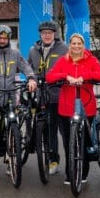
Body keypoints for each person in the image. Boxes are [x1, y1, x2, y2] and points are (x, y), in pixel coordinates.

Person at [46, 33, 100, 184]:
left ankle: (84, 172)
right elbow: (49, 76)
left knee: (85, 141)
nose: (76, 46)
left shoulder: (91, 59)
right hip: (67, 107)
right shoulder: (63, 60)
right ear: (70, 45)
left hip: (86, 105)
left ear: (83, 45)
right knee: (69, 142)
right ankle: (70, 173)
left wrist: (85, 76)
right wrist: (66, 76)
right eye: (73, 43)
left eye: (79, 43)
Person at [0, 25, 37, 177]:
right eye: (0, 38)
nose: (2, 40)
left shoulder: (15, 53)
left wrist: (31, 78)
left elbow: (26, 67)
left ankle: (12, 159)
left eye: (5, 38)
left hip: (9, 97)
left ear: (9, 39)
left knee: (11, 127)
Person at [27, 20, 68, 175]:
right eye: (44, 33)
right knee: (48, 130)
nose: (47, 35)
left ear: (54, 34)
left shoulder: (63, 48)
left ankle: (70, 161)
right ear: (40, 34)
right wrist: (31, 79)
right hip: (42, 95)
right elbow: (29, 68)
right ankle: (53, 160)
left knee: (64, 130)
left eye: (50, 33)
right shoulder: (33, 50)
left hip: (60, 94)